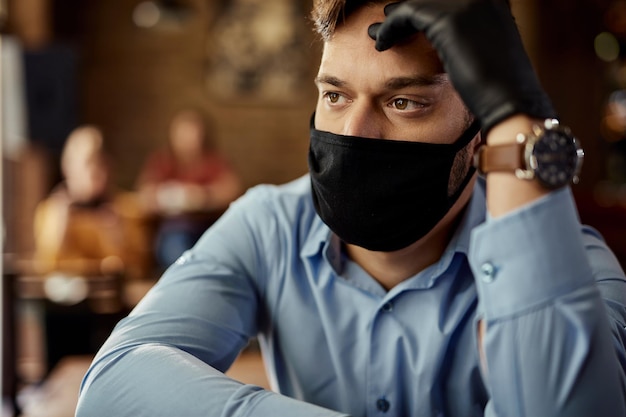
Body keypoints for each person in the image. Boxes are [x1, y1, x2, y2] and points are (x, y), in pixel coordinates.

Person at [76, 1, 626, 416]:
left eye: (403, 102)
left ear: (479, 130)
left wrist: (519, 118)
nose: (353, 133)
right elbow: (114, 384)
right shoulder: (269, 227)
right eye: (335, 95)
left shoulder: (575, 270)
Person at [33, 125, 151, 281]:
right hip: (64, 302)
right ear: (67, 167)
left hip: (114, 300)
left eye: (102, 163)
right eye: (88, 163)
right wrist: (60, 232)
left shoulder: (127, 208)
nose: (97, 172)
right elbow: (44, 269)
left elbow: (139, 270)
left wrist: (118, 237)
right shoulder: (51, 211)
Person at [135, 108, 243, 270]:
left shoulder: (212, 161)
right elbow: (143, 195)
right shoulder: (163, 161)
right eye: (183, 134)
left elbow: (232, 190)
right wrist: (168, 197)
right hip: (173, 230)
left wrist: (202, 196)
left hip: (208, 227)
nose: (189, 140)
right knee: (178, 247)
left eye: (193, 134)